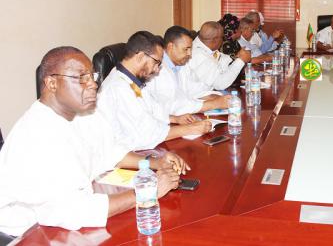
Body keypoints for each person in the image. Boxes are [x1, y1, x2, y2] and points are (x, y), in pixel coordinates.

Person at [0, 47, 186, 237]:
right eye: (81, 78)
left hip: (66, 216)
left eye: (92, 76)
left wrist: (155, 162)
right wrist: (148, 191)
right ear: (52, 83)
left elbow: (110, 152)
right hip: (28, 233)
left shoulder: (80, 113)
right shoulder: (38, 134)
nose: (93, 85)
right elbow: (72, 211)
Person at [98, 31, 212, 150]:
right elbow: (144, 134)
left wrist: (175, 119)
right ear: (141, 57)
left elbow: (152, 108)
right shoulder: (118, 87)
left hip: (148, 143)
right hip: (126, 153)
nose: (157, 70)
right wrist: (189, 129)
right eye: (156, 63)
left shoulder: (131, 79)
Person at [145, 26, 231, 116]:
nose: (189, 54)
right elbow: (171, 106)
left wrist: (216, 96)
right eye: (186, 49)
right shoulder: (157, 70)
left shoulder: (182, 65)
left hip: (183, 117)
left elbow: (195, 89)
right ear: (171, 47)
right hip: (165, 121)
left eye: (190, 49)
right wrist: (214, 104)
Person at [188, 21, 251, 91]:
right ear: (215, 40)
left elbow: (221, 58)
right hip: (200, 97)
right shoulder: (199, 56)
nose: (223, 40)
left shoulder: (204, 46)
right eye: (222, 38)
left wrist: (237, 57)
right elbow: (220, 84)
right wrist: (241, 61)